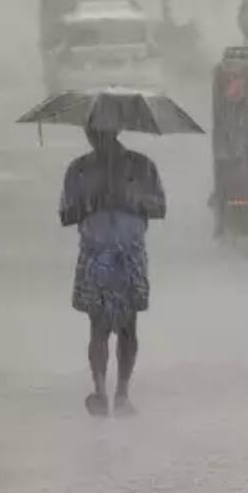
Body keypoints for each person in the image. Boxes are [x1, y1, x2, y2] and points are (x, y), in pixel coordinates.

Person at [60, 126, 166, 417]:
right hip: (95, 253)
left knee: (127, 327)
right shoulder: (79, 170)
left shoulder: (142, 167)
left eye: (104, 130)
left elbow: (159, 206)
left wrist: (127, 198)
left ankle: (122, 392)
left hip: (129, 253)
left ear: (116, 130)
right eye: (94, 131)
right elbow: (66, 214)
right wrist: (91, 202)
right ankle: (100, 390)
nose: (98, 136)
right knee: (99, 326)